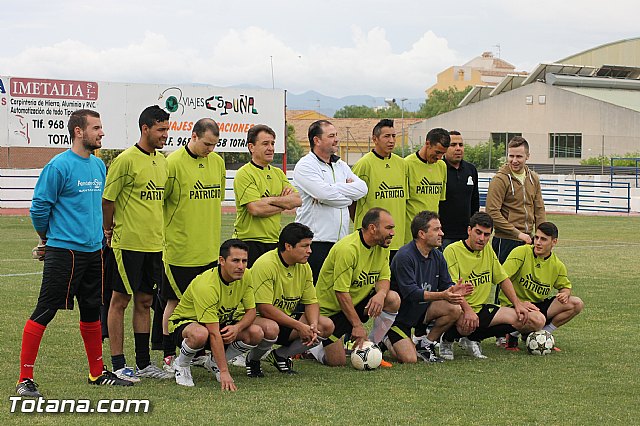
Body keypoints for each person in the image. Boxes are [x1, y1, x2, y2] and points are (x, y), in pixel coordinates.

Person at [17, 109, 132, 398]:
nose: (102, 133)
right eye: (96, 128)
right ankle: (24, 379)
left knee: (93, 312)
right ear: (78, 131)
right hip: (64, 251)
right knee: (45, 311)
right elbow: (39, 208)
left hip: (94, 252)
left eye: (101, 127)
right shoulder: (58, 166)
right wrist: (47, 239)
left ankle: (96, 372)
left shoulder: (98, 166)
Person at [102, 105, 173, 381]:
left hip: (154, 245)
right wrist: (108, 230)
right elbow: (108, 200)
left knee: (145, 301)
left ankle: (143, 363)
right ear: (145, 128)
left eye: (167, 129)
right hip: (127, 244)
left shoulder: (163, 161)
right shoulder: (126, 160)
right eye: (161, 129)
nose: (165, 135)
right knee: (120, 300)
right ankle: (119, 364)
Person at [160, 118, 226, 372]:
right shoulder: (172, 163)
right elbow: (161, 203)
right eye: (207, 144)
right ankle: (168, 353)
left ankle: (197, 352)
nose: (210, 149)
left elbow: (215, 199)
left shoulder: (217, 162)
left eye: (214, 145)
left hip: (209, 248)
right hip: (179, 249)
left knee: (206, 304)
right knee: (174, 303)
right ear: (194, 136)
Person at [441, 212, 545, 359]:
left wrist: (517, 304)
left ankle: (473, 338)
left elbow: (503, 279)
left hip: (480, 309)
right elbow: (452, 289)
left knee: (535, 319)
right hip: (459, 308)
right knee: (462, 318)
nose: (482, 238)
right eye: (478, 232)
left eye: (486, 235)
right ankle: (447, 339)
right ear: (469, 230)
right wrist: (468, 310)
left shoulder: (488, 249)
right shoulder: (452, 250)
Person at [168, 239, 263, 389]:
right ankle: (182, 364)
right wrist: (224, 371)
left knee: (256, 332)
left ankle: (213, 362)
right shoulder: (206, 286)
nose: (241, 266)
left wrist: (237, 328)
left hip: (218, 323)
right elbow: (213, 333)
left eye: (244, 261)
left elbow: (251, 311)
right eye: (235, 260)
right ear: (221, 261)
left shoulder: (246, 275)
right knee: (200, 334)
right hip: (186, 324)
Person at [311, 207, 401, 366]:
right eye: (388, 228)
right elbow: (341, 292)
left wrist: (380, 294)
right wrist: (357, 325)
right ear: (373, 229)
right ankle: (312, 347)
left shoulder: (383, 245)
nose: (393, 233)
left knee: (392, 298)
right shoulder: (348, 249)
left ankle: (372, 344)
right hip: (331, 311)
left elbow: (384, 277)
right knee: (337, 362)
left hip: (357, 304)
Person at [247, 223, 335, 375]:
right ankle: (252, 360)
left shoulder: (304, 266)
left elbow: (311, 302)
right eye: (305, 246)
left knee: (325, 325)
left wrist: (312, 325)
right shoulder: (266, 264)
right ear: (288, 246)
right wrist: (300, 327)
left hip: (286, 320)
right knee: (270, 328)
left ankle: (280, 356)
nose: (310, 251)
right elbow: (264, 308)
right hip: (259, 320)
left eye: (310, 245)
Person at [385, 211, 472, 364]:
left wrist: (455, 291)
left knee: (455, 309)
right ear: (422, 234)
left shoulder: (437, 255)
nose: (442, 233)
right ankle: (386, 337)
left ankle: (425, 344)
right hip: (400, 319)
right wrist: (443, 295)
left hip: (422, 313)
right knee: (409, 359)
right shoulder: (404, 256)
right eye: (436, 229)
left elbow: (446, 285)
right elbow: (411, 293)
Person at [293, 120, 367, 283]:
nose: (336, 139)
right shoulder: (305, 166)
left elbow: (362, 189)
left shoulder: (340, 165)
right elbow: (324, 194)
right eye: (331, 136)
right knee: (314, 292)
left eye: (336, 135)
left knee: (336, 292)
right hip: (315, 242)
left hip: (340, 242)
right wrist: (347, 197)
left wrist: (332, 188)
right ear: (316, 140)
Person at [499, 222, 584, 350]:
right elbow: (503, 278)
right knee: (538, 319)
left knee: (576, 303)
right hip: (513, 305)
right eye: (536, 237)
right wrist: (518, 303)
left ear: (554, 242)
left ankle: (543, 336)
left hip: (536, 307)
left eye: (543, 239)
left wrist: (565, 294)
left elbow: (565, 287)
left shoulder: (557, 265)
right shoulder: (521, 252)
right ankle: (511, 336)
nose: (538, 242)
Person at [233, 124, 301, 267]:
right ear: (251, 147)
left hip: (274, 242)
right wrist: (283, 203)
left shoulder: (277, 173)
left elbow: (297, 200)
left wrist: (269, 200)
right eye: (265, 144)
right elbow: (256, 209)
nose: (271, 148)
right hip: (250, 242)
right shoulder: (244, 174)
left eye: (272, 143)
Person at [350, 119, 407, 262]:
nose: (391, 140)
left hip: (396, 239)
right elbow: (351, 202)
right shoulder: (363, 164)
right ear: (375, 139)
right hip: (372, 238)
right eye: (386, 136)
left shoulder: (402, 164)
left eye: (394, 136)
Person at [486, 136, 546, 264]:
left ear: (527, 156)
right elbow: (492, 213)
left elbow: (539, 209)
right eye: (511, 156)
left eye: (519, 157)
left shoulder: (533, 178)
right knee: (505, 282)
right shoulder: (500, 180)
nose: (514, 160)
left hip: (528, 240)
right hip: (505, 240)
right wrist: (517, 233)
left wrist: (541, 236)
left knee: (525, 281)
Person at [404, 128, 449, 244]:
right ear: (427, 143)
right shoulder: (407, 164)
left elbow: (439, 201)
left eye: (443, 154)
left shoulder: (442, 166)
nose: (439, 157)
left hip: (432, 235)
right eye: (437, 152)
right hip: (412, 236)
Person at [439, 131, 480, 251]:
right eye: (453, 145)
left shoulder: (471, 170)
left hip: (466, 234)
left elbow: (475, 201)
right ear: (445, 148)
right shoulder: (439, 168)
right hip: (444, 235)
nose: (458, 148)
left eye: (461, 145)